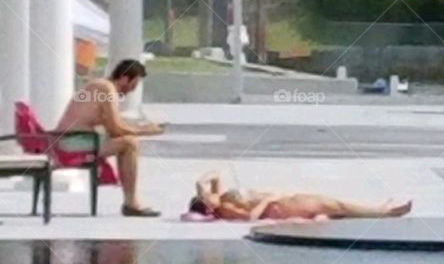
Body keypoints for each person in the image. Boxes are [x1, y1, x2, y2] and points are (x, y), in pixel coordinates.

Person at [54, 59, 165, 217]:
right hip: (72, 142)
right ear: (125, 78)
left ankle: (130, 201)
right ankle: (131, 203)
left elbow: (115, 127)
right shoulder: (106, 88)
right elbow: (116, 128)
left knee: (127, 142)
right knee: (130, 143)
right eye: (134, 85)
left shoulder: (100, 86)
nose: (132, 91)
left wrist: (141, 128)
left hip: (74, 140)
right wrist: (146, 131)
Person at [189, 171, 412, 222]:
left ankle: (377, 210)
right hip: (283, 207)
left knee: (334, 210)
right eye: (206, 196)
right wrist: (269, 199)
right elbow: (251, 217)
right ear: (209, 206)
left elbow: (214, 174)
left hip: (285, 202)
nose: (209, 193)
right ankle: (384, 212)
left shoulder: (219, 196)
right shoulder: (224, 208)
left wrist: (200, 186)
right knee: (336, 205)